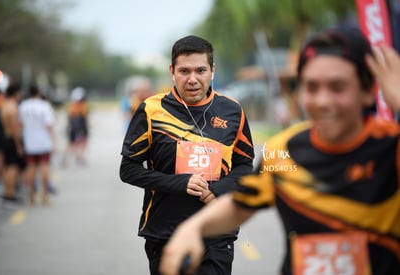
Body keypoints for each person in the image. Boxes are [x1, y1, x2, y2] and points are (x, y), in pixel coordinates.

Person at [159, 28, 400, 275]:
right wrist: (192, 229)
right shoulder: (283, 149)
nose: (323, 101)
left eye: (338, 87)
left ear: (368, 90)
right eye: (311, 87)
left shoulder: (392, 147)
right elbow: (241, 203)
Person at [119, 35, 255, 275]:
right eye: (184, 71)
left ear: (212, 70)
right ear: (172, 71)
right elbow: (128, 169)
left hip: (217, 231)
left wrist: (217, 190)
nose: (192, 79)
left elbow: (244, 166)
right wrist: (180, 183)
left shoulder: (233, 111)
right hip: (165, 232)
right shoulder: (151, 110)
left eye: (200, 70)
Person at [19, 85, 56, 205]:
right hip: (43, 142)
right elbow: (49, 125)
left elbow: (20, 124)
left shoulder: (23, 106)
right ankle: (44, 195)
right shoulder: (44, 106)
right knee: (44, 167)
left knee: (31, 168)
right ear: (39, 93)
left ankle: (31, 195)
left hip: (30, 142)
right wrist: (54, 141)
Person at [0, 83, 25, 206]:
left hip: (5, 138)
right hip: (11, 140)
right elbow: (14, 128)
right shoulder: (13, 108)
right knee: (12, 167)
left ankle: (7, 193)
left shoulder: (4, 106)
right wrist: (19, 145)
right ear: (16, 93)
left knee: (7, 167)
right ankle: (9, 195)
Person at [63, 86, 89, 166]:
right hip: (76, 128)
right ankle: (77, 158)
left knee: (78, 143)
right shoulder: (75, 106)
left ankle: (78, 157)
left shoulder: (82, 105)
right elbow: (71, 118)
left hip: (79, 128)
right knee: (74, 143)